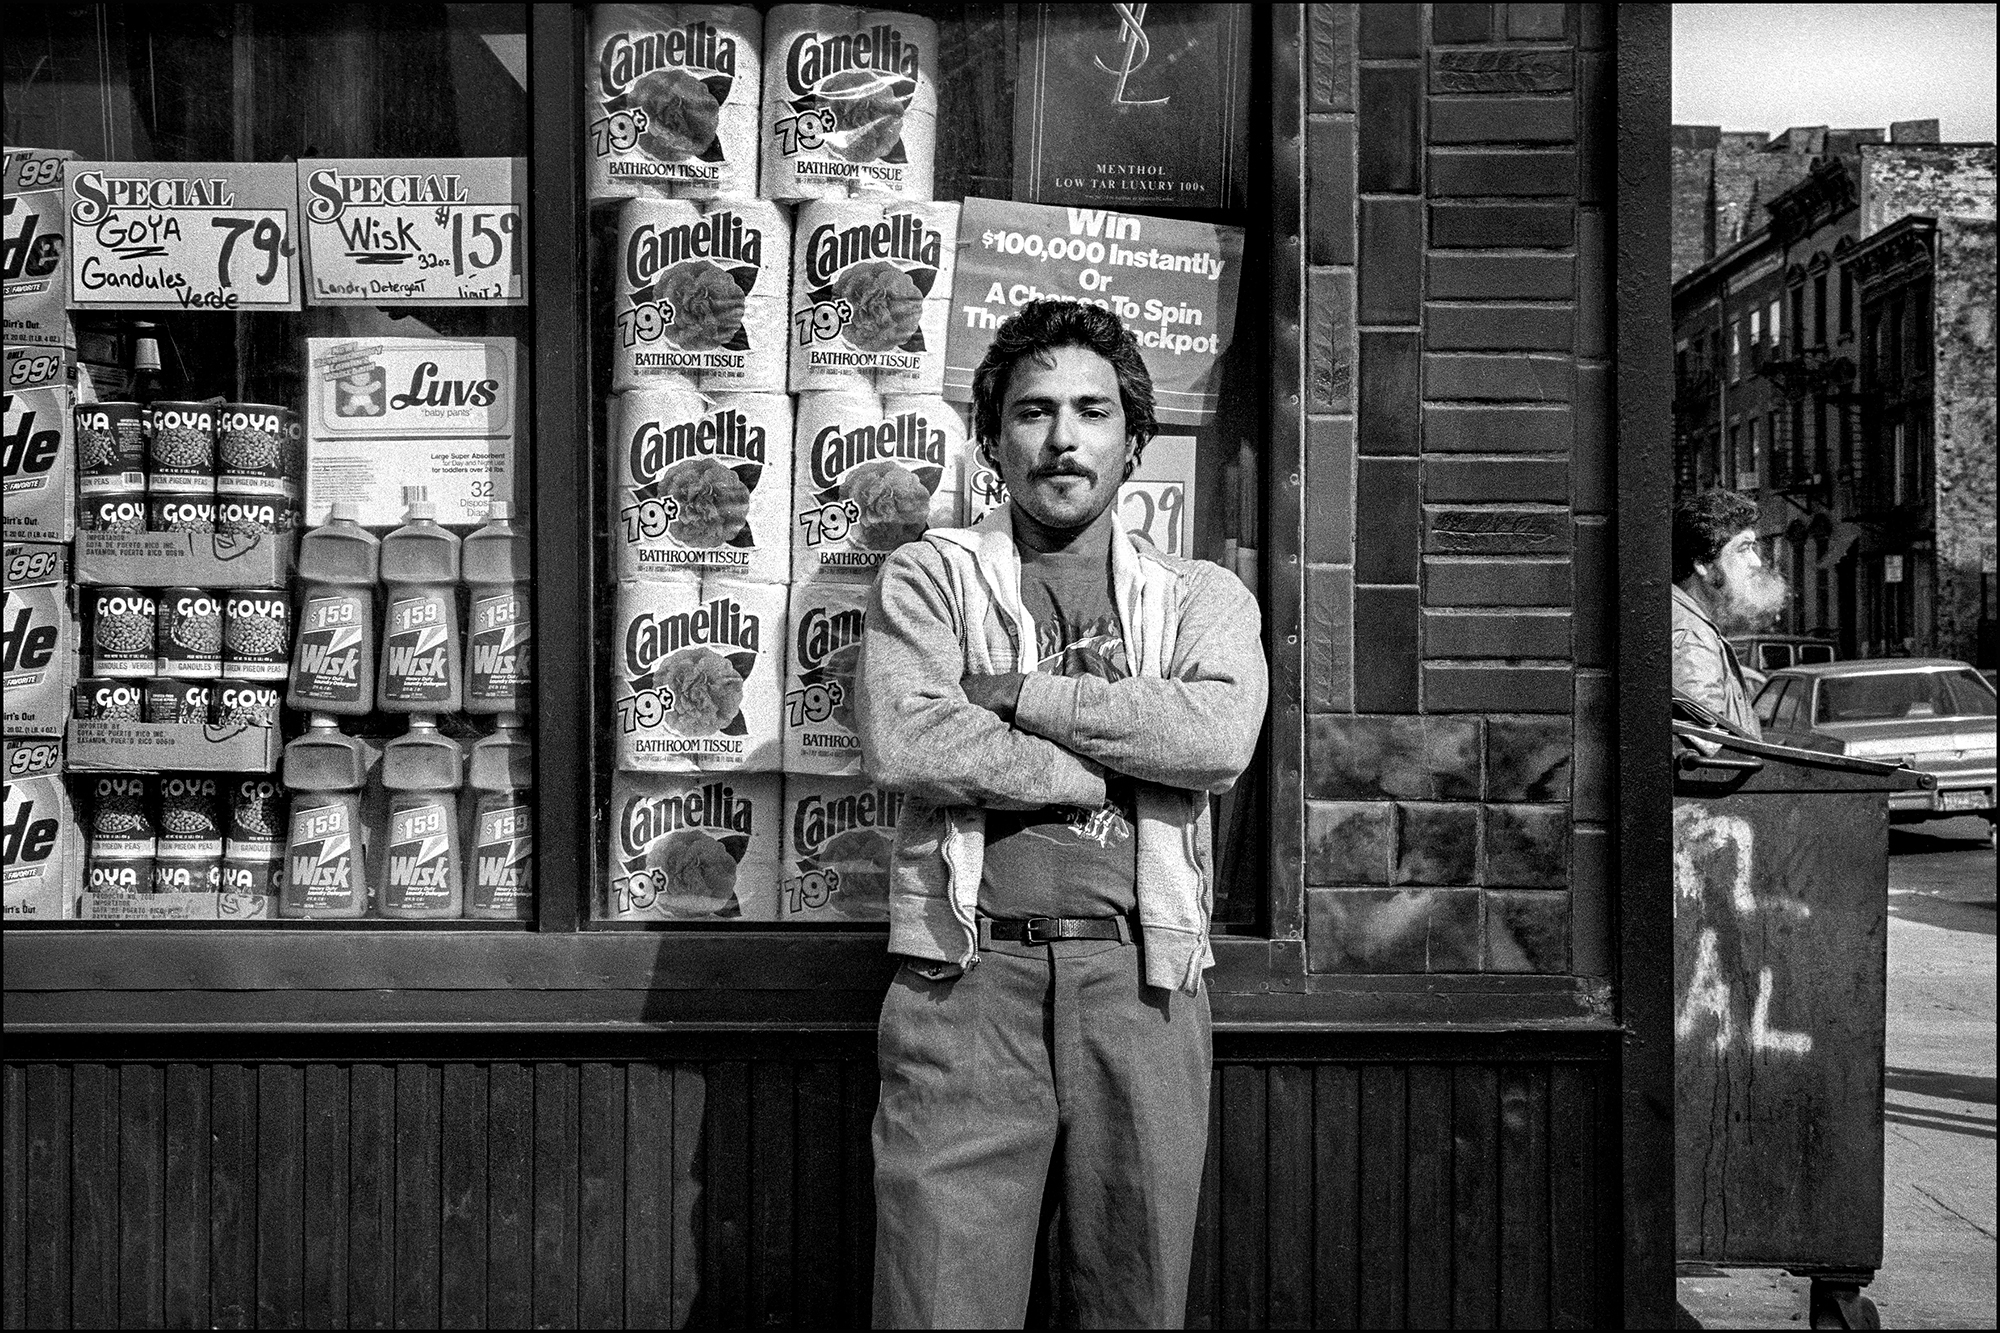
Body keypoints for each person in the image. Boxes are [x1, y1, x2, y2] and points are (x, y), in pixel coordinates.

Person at [857, 299, 1269, 1329]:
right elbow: (909, 740)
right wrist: (1106, 769)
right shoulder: (930, 578)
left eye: (1090, 411)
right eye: (1032, 411)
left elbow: (1214, 738)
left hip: (1140, 983)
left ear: (1133, 439)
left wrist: (1023, 696)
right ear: (993, 438)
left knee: (1130, 1300)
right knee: (935, 1304)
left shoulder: (1199, 595)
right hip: (964, 981)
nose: (1061, 437)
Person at [1671, 488, 1788, 738]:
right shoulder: (1692, 638)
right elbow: (1703, 755)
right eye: (1743, 548)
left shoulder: (1690, 622)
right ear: (1703, 563)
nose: (1756, 562)